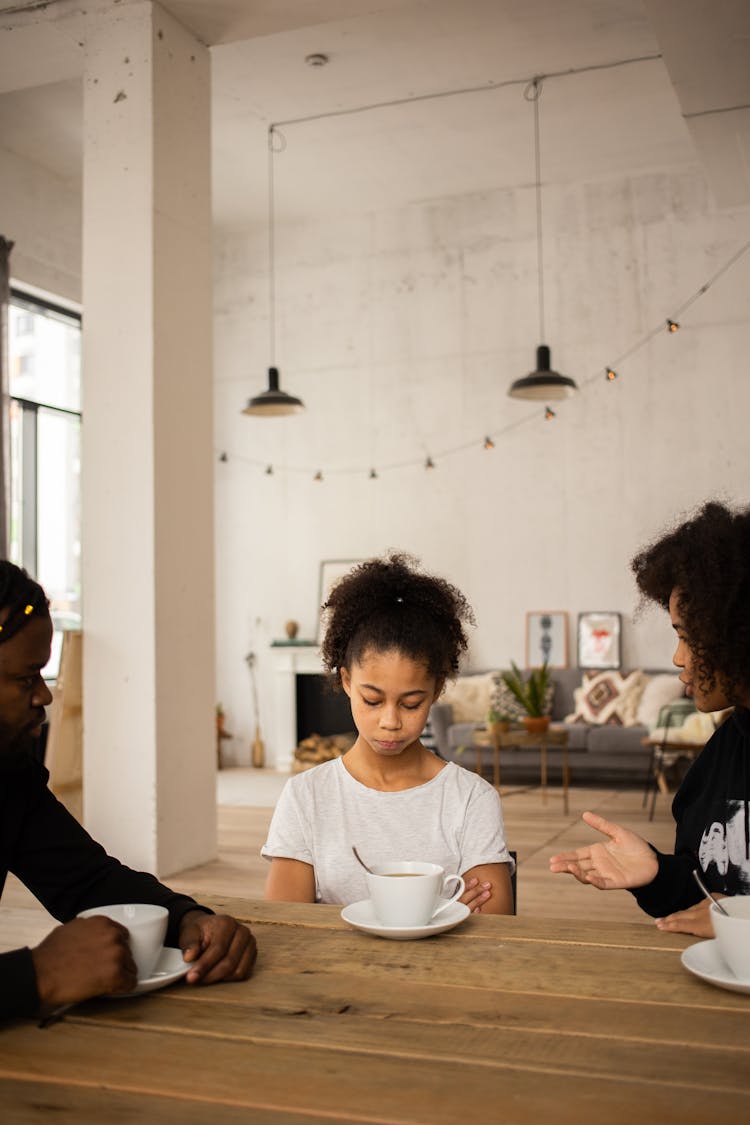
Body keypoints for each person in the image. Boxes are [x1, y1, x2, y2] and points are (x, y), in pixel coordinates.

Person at [0, 561, 257, 1021]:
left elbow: (86, 880)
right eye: (25, 679)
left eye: (42, 674)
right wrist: (34, 976)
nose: (44, 696)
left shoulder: (9, 775)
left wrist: (188, 920)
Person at [262, 553, 515, 913]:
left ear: (437, 689)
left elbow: (493, 932)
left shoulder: (471, 799)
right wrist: (442, 911)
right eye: (372, 700)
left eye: (411, 703)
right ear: (347, 681)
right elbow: (287, 927)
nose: (391, 721)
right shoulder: (306, 797)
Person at [549, 500, 750, 937]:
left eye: (686, 636)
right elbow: (705, 905)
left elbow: (727, 918)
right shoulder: (717, 762)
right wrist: (657, 874)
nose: (677, 658)